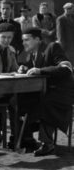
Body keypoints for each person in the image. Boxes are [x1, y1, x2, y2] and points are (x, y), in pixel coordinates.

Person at [18, 27, 74, 156]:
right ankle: (26, 139)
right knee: (22, 100)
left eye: (27, 40)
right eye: (23, 40)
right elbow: (38, 67)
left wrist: (40, 71)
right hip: (46, 91)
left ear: (37, 40)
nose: (24, 43)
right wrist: (26, 68)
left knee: (45, 103)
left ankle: (47, 143)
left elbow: (66, 68)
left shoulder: (53, 47)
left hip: (62, 92)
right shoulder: (32, 53)